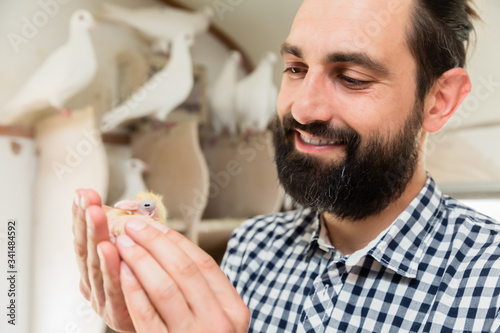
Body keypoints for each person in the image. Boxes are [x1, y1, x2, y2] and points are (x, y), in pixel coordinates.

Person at [73, 0, 500, 331]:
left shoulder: (489, 283)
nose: (302, 108)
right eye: (295, 69)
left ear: (439, 101)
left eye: (352, 77)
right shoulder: (252, 248)